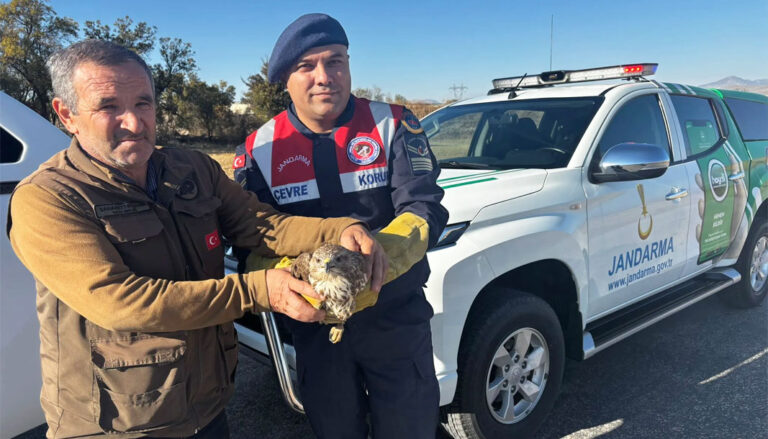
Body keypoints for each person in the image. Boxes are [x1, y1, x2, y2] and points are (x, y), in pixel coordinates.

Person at [7, 39, 386, 438]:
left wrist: (340, 229)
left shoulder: (192, 169)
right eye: (108, 106)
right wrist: (259, 292)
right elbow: (118, 301)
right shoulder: (48, 198)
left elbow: (260, 224)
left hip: (207, 408)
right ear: (66, 114)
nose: (134, 122)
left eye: (143, 103)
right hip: (120, 424)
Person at [234, 13, 449, 438]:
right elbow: (249, 242)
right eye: (306, 66)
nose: (324, 77)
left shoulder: (393, 123)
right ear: (285, 80)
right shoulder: (258, 148)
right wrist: (301, 282)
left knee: (410, 429)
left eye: (335, 61)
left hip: (394, 317)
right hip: (315, 329)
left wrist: (373, 263)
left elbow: (424, 208)